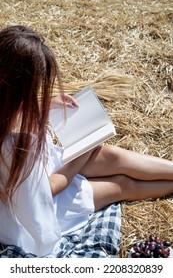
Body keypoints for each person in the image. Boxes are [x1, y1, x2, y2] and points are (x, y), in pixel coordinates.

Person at [0, 25, 173, 257]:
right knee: (120, 185)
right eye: (33, 91)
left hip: (33, 174)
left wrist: (46, 104)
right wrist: (81, 154)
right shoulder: (15, 148)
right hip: (30, 209)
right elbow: (45, 191)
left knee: (112, 155)